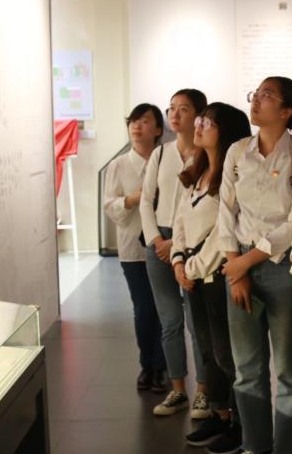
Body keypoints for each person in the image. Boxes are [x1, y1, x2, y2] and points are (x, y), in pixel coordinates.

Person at [218, 77, 292, 454]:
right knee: (247, 369)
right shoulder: (237, 151)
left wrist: (246, 261)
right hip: (238, 263)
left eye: (267, 95)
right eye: (255, 94)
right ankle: (254, 445)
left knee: (290, 371)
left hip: (285, 266)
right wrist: (235, 265)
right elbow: (225, 210)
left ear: (287, 111)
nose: (256, 100)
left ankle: (290, 447)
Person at [172, 103, 252, 453]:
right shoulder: (197, 169)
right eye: (200, 119)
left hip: (217, 274)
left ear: (228, 131)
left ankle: (242, 424)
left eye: (208, 122)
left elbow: (225, 230)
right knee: (206, 351)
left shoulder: (234, 174)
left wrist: (191, 268)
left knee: (226, 354)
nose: (199, 125)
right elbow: (180, 218)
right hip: (192, 273)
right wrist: (178, 259)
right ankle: (220, 415)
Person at [140, 89, 210, 417]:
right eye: (171, 109)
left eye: (183, 109)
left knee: (197, 323)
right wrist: (156, 239)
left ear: (199, 115)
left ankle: (204, 391)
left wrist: (176, 245)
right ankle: (178, 389)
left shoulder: (207, 153)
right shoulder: (160, 153)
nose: (175, 115)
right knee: (169, 321)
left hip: (192, 242)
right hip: (159, 241)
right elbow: (146, 200)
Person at [103, 103, 168, 392]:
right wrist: (132, 199)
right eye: (133, 121)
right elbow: (109, 205)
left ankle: (164, 366)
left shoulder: (168, 160)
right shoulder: (118, 165)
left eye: (144, 121)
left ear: (158, 129)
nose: (136, 126)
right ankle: (148, 364)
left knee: (165, 308)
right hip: (133, 248)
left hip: (164, 245)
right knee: (143, 309)